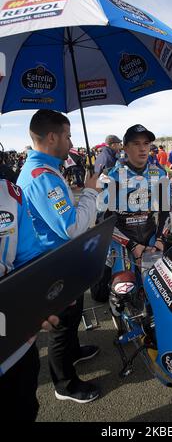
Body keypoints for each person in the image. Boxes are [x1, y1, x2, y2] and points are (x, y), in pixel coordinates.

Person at [17, 109, 101, 404]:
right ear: (51, 137)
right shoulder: (42, 176)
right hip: (52, 264)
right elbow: (72, 228)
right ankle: (64, 384)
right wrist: (90, 193)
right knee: (62, 325)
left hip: (61, 260)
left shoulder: (46, 169)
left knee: (73, 313)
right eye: (67, 135)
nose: (70, 141)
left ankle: (74, 352)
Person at [0, 178, 58, 421]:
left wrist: (41, 298)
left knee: (24, 409)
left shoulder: (9, 193)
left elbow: (28, 257)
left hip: (15, 344)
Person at [98, 124, 169, 313]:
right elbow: (106, 221)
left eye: (146, 143)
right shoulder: (113, 176)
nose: (143, 148)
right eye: (136, 144)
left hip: (151, 235)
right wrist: (132, 246)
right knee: (123, 289)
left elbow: (165, 212)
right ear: (125, 147)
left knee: (163, 288)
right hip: (122, 239)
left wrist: (161, 239)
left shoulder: (159, 173)